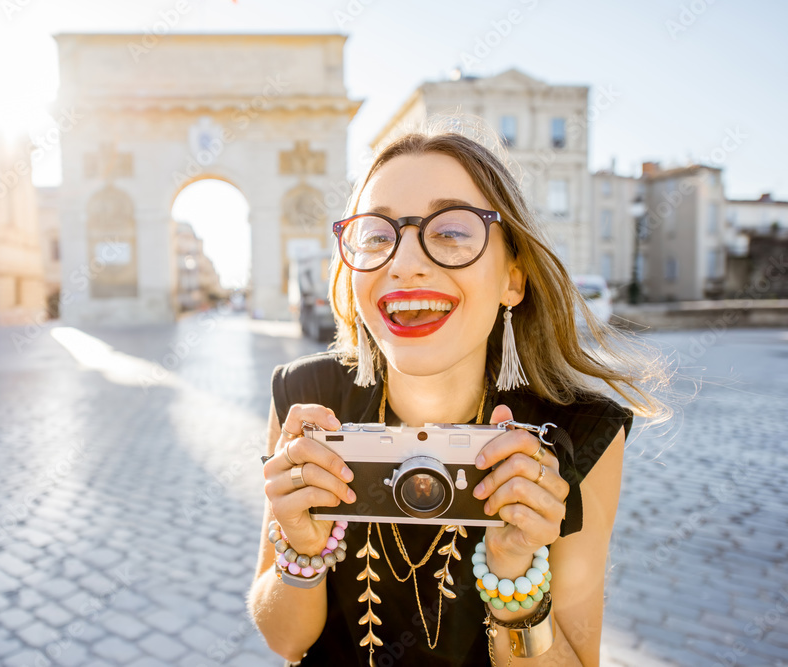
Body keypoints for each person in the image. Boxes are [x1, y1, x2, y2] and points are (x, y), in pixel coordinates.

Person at [247, 121, 671, 666]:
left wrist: (514, 576)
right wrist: (300, 551)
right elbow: (286, 641)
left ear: (512, 280)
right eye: (377, 235)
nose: (403, 263)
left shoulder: (578, 433)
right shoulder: (307, 400)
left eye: (451, 232)